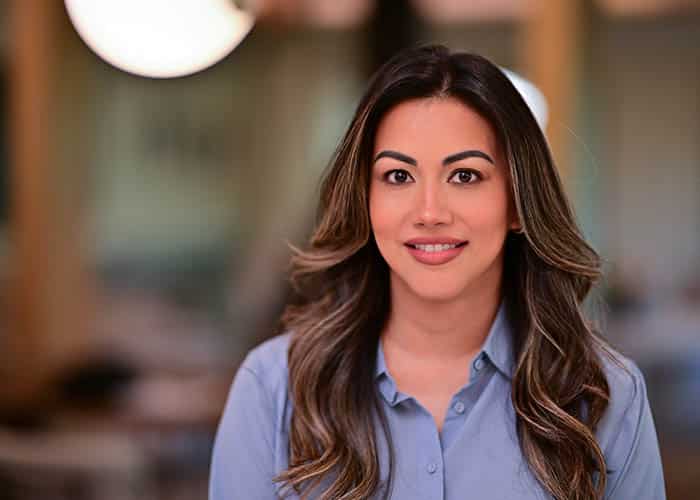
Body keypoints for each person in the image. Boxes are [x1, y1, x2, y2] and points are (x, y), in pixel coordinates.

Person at [209, 44, 666, 500]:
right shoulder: (273, 388)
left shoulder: (604, 394)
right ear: (365, 203)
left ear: (517, 204)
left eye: (465, 176)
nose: (429, 212)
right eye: (398, 177)